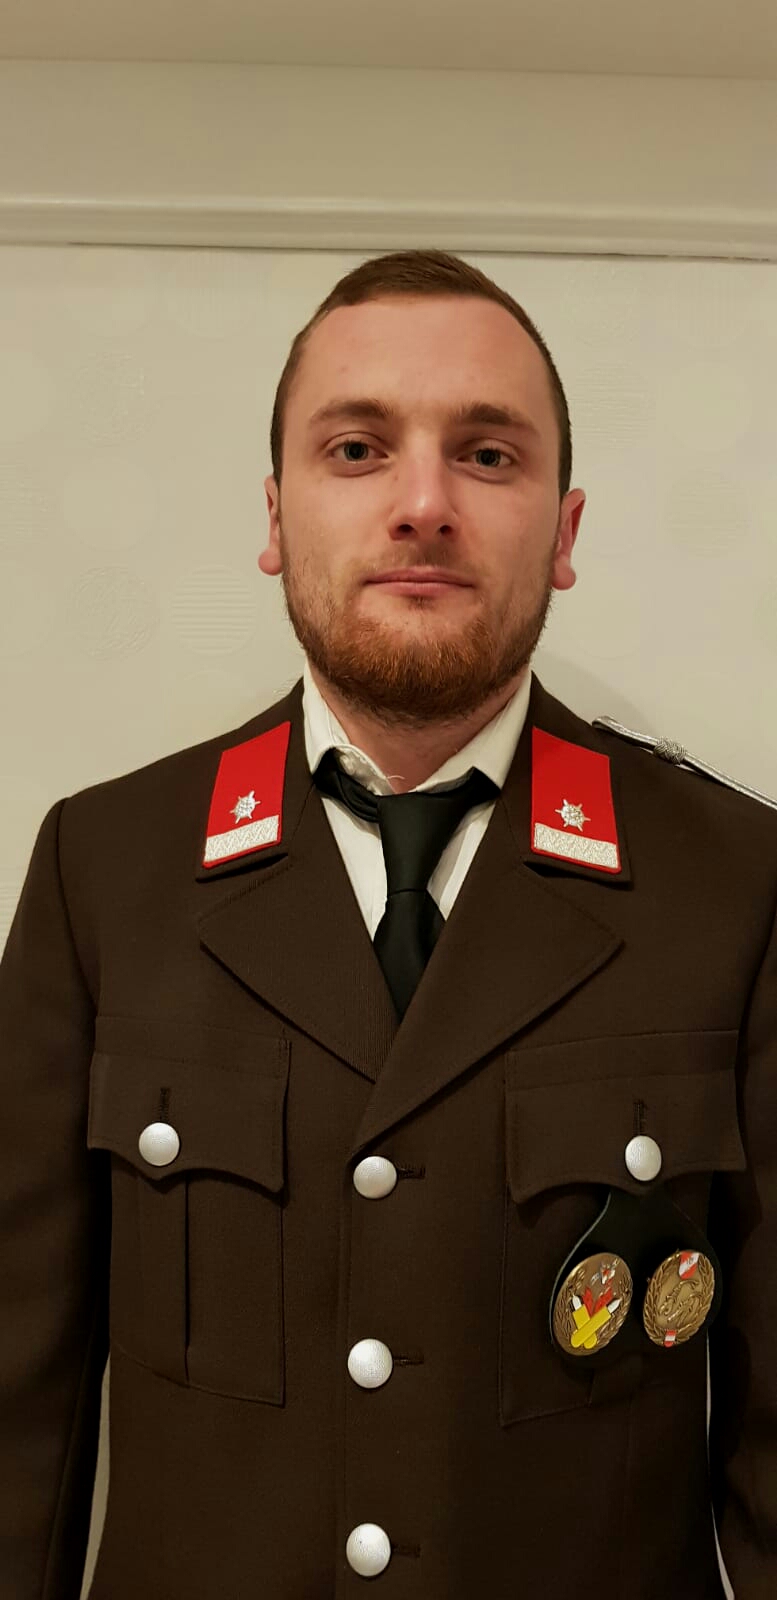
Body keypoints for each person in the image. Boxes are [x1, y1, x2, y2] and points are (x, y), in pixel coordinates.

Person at [1, 247, 775, 1600]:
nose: (422, 505)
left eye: (487, 455)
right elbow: (19, 1410)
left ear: (565, 533)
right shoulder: (104, 873)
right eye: (357, 449)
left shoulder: (734, 887)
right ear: (275, 515)